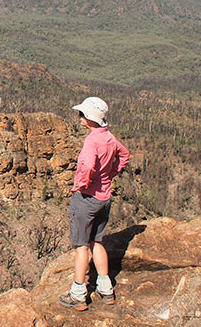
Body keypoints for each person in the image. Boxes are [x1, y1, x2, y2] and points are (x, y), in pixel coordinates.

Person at [59, 96, 129, 311]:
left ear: (89, 118)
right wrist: (110, 174)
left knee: (81, 246)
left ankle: (78, 294)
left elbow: (88, 166)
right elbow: (124, 155)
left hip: (87, 199)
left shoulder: (92, 141)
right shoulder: (109, 137)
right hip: (104, 199)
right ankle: (106, 289)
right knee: (97, 242)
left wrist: (81, 184)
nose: (79, 117)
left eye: (82, 114)